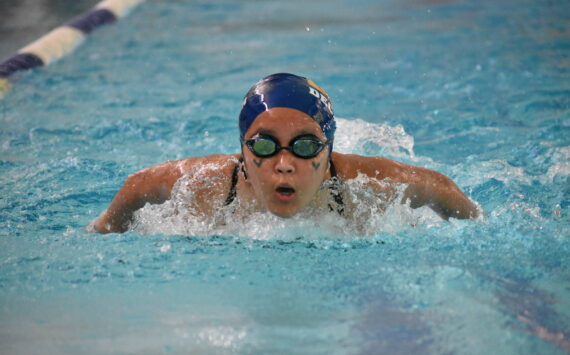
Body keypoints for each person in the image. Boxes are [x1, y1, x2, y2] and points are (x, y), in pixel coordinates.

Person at [92, 73, 479, 234]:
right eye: (262, 144)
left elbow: (441, 187)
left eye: (305, 146)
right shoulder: (204, 187)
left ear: (328, 150)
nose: (283, 164)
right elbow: (135, 187)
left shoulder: (371, 187)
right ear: (242, 148)